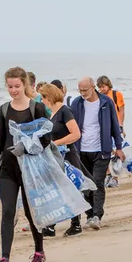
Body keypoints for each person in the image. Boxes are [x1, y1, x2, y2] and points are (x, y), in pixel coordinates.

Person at [0, 67, 51, 262]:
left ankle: (39, 252)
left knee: (32, 212)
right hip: (8, 168)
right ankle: (5, 259)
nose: (13, 90)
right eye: (10, 86)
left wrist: (26, 145)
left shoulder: (36, 108)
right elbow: (1, 139)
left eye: (17, 86)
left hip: (30, 167)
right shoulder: (4, 109)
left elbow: (46, 139)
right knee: (8, 211)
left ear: (25, 85)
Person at [71, 76, 126, 230]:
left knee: (97, 182)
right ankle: (89, 215)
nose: (82, 93)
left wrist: (119, 146)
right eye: (80, 90)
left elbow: (115, 125)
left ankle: (97, 215)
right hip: (81, 151)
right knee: (86, 185)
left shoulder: (106, 102)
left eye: (85, 90)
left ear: (93, 87)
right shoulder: (76, 103)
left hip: (102, 150)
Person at [38, 82, 84, 237]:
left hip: (67, 156)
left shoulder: (65, 111)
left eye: (43, 97)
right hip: (54, 157)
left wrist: (55, 143)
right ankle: (50, 225)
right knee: (53, 190)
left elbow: (76, 134)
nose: (41, 101)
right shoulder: (50, 113)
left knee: (69, 189)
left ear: (49, 96)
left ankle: (76, 224)